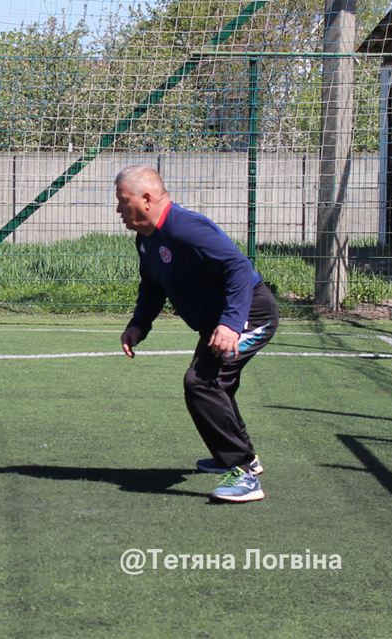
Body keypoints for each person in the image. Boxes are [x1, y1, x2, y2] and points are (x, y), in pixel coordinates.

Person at [115, 165, 279, 503]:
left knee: (203, 382)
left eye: (122, 201)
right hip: (220, 319)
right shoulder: (147, 240)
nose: (118, 210)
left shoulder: (186, 228)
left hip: (251, 314)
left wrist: (232, 324)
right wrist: (138, 325)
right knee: (215, 384)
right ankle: (240, 457)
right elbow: (152, 286)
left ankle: (244, 474)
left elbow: (237, 267)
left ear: (146, 199)